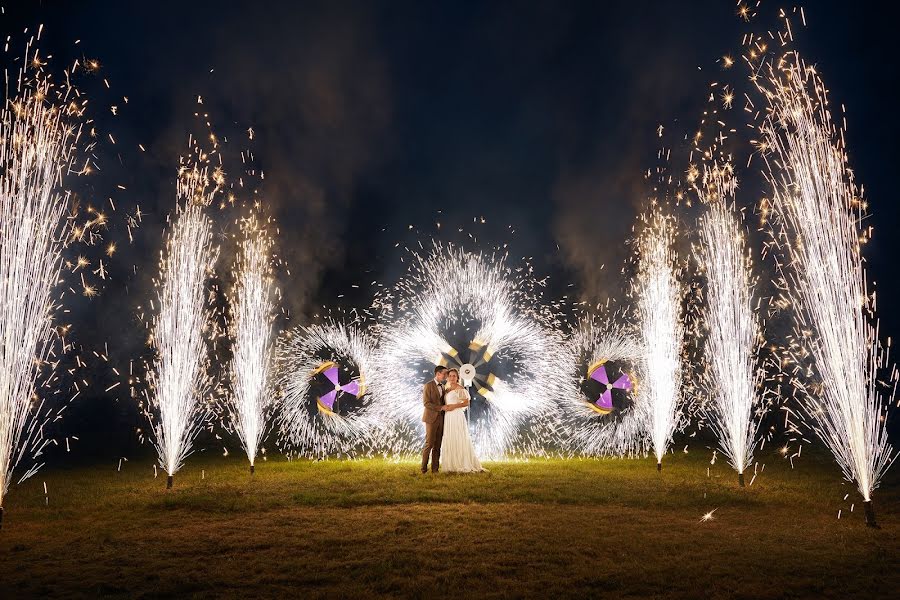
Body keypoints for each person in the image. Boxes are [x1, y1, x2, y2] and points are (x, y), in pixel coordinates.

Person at [439, 368, 485, 472]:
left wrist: (453, 406)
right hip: (448, 417)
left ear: (457, 377)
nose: (452, 378)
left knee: (459, 437)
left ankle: (461, 462)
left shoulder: (460, 388)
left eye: (454, 376)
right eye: (450, 376)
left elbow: (466, 403)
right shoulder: (447, 388)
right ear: (448, 377)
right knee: (450, 437)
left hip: (456, 415)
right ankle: (451, 465)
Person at [421, 365, 451, 473]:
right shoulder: (428, 385)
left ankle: (435, 469)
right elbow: (426, 403)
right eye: (445, 373)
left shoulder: (443, 387)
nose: (446, 376)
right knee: (429, 443)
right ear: (438, 374)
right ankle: (423, 469)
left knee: (438, 445)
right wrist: (441, 408)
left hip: (441, 419)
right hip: (430, 419)